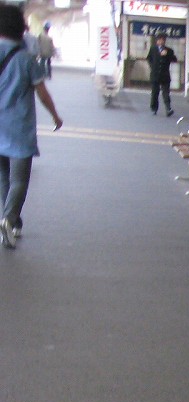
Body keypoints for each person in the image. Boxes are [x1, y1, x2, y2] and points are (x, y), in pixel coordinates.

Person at [0, 3, 62, 249]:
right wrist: (55, 116)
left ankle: (12, 221)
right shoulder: (26, 60)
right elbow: (42, 94)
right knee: (19, 180)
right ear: (21, 29)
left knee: (3, 178)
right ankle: (8, 219)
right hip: (19, 129)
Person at [147, 34, 178, 117]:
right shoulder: (153, 49)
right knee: (155, 92)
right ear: (157, 41)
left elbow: (174, 59)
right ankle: (154, 108)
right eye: (160, 40)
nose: (162, 41)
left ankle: (168, 109)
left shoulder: (169, 50)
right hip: (155, 74)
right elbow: (149, 58)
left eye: (163, 40)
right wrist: (152, 67)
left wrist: (167, 55)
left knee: (166, 93)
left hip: (165, 75)